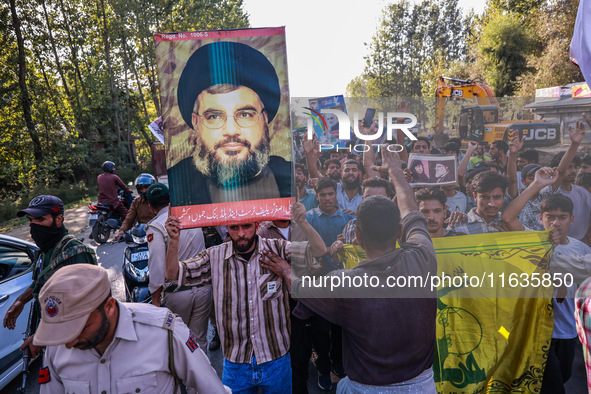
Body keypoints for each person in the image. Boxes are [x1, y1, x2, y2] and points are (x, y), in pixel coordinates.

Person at [261, 148, 438, 392]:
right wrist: (396, 172)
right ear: (399, 232)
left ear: (358, 236)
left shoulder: (343, 283)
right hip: (423, 386)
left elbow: (300, 288)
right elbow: (412, 212)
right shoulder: (423, 258)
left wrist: (284, 269)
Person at [32, 264, 227, 393]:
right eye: (63, 331)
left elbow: (210, 388)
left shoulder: (163, 331)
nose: (70, 342)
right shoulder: (58, 345)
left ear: (108, 306)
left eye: (80, 329)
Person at [164, 220, 296, 392]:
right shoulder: (214, 257)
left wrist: (287, 269)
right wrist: (173, 240)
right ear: (227, 228)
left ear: (257, 226)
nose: (241, 234)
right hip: (236, 364)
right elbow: (173, 274)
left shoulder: (278, 248)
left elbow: (318, 255)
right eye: (234, 228)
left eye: (246, 226)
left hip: (276, 359)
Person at [169, 41, 291, 207]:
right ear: (195, 121)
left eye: (245, 114)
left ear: (265, 119)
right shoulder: (177, 184)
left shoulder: (290, 176)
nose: (231, 131)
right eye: (214, 116)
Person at [501, 168, 590, 393]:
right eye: (550, 217)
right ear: (541, 218)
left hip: (569, 331)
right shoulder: (529, 241)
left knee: (565, 374)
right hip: (536, 330)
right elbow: (508, 217)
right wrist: (537, 184)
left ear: (572, 219)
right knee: (553, 385)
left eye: (562, 217)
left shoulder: (581, 250)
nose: (555, 223)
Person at [3, 195, 97, 331]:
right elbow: (40, 281)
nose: (33, 225)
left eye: (40, 219)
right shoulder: (45, 250)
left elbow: (85, 307)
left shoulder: (74, 252)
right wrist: (21, 301)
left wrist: (44, 336)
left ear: (58, 220)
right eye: (30, 220)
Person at [144, 183, 215, 352]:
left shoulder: (155, 227)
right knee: (198, 340)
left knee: (176, 341)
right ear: (171, 201)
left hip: (177, 292)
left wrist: (155, 298)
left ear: (150, 207)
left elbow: (157, 266)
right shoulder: (190, 217)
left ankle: (183, 377)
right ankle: (200, 375)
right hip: (203, 288)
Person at [115, 173, 156, 242]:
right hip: (143, 236)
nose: (144, 191)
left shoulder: (160, 198)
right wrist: (121, 232)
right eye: (141, 189)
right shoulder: (136, 202)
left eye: (146, 187)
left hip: (160, 233)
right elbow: (128, 220)